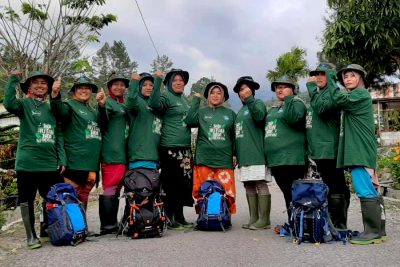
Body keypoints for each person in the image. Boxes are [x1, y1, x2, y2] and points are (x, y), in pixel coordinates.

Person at [326, 64, 386, 245]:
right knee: (371, 187)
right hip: (360, 149)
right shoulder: (354, 96)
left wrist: (329, 76)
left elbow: (336, 98)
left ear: (361, 78)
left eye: (352, 75)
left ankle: (372, 232)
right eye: (345, 77)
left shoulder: (359, 94)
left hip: (360, 150)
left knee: (364, 189)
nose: (348, 79)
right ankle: (379, 230)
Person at [4, 70, 64, 249]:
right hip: (27, 163)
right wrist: (13, 79)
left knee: (52, 198)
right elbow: (8, 103)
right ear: (29, 87)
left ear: (48, 88)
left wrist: (62, 159)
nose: (40, 85)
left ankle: (50, 229)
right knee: (26, 199)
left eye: (43, 83)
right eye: (35, 82)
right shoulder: (23, 104)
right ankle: (31, 236)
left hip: (50, 163)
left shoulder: (52, 108)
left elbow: (59, 135)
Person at [306, 63, 351, 229]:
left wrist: (311, 88)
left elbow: (322, 109)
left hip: (330, 149)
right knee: (331, 184)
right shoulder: (318, 95)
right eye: (316, 74)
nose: (318, 77)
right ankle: (334, 219)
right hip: (319, 150)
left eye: (323, 74)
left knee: (337, 184)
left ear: (330, 76)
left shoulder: (333, 93)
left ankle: (339, 223)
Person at [148, 68, 194, 230]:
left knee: (183, 184)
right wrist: (157, 80)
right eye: (175, 80)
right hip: (170, 147)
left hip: (185, 148)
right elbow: (153, 103)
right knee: (171, 184)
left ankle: (180, 216)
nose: (179, 82)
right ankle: (168, 217)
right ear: (168, 83)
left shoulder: (184, 99)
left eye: (181, 80)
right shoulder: (165, 96)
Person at [50, 76, 101, 213]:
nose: (84, 90)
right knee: (71, 197)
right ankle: (70, 228)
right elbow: (59, 111)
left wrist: (102, 105)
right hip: (74, 162)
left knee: (84, 196)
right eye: (80, 88)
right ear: (74, 91)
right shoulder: (69, 105)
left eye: (87, 88)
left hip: (92, 164)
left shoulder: (93, 110)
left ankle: (82, 228)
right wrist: (55, 95)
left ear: (91, 91)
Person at [186, 82, 237, 215]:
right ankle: (204, 216)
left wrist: (235, 154)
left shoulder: (231, 114)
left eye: (219, 93)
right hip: (204, 158)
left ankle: (224, 216)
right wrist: (196, 101)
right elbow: (190, 120)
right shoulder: (202, 112)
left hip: (224, 160)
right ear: (208, 96)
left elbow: (235, 136)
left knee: (226, 192)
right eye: (212, 93)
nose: (215, 95)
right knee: (202, 190)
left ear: (224, 96)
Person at [264, 76, 307, 224]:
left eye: (284, 87)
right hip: (276, 160)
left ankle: (300, 222)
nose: (280, 89)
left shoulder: (297, 104)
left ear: (293, 90)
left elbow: (294, 119)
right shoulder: (273, 109)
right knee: (286, 192)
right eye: (278, 87)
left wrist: (289, 99)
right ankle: (293, 221)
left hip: (292, 158)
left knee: (294, 191)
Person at [233, 76, 270, 230]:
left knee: (260, 184)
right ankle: (254, 218)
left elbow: (259, 117)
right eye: (241, 90)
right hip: (244, 155)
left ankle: (264, 220)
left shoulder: (258, 104)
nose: (243, 92)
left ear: (252, 90)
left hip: (257, 153)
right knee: (248, 185)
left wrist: (250, 100)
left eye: (246, 89)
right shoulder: (240, 111)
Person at [95, 74, 129, 235]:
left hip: (126, 153)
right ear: (109, 87)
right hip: (112, 153)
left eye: (122, 85)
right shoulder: (107, 103)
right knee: (111, 188)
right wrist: (101, 106)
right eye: (115, 84)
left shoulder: (124, 104)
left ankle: (122, 221)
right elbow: (101, 122)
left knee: (123, 188)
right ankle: (108, 226)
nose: (119, 87)